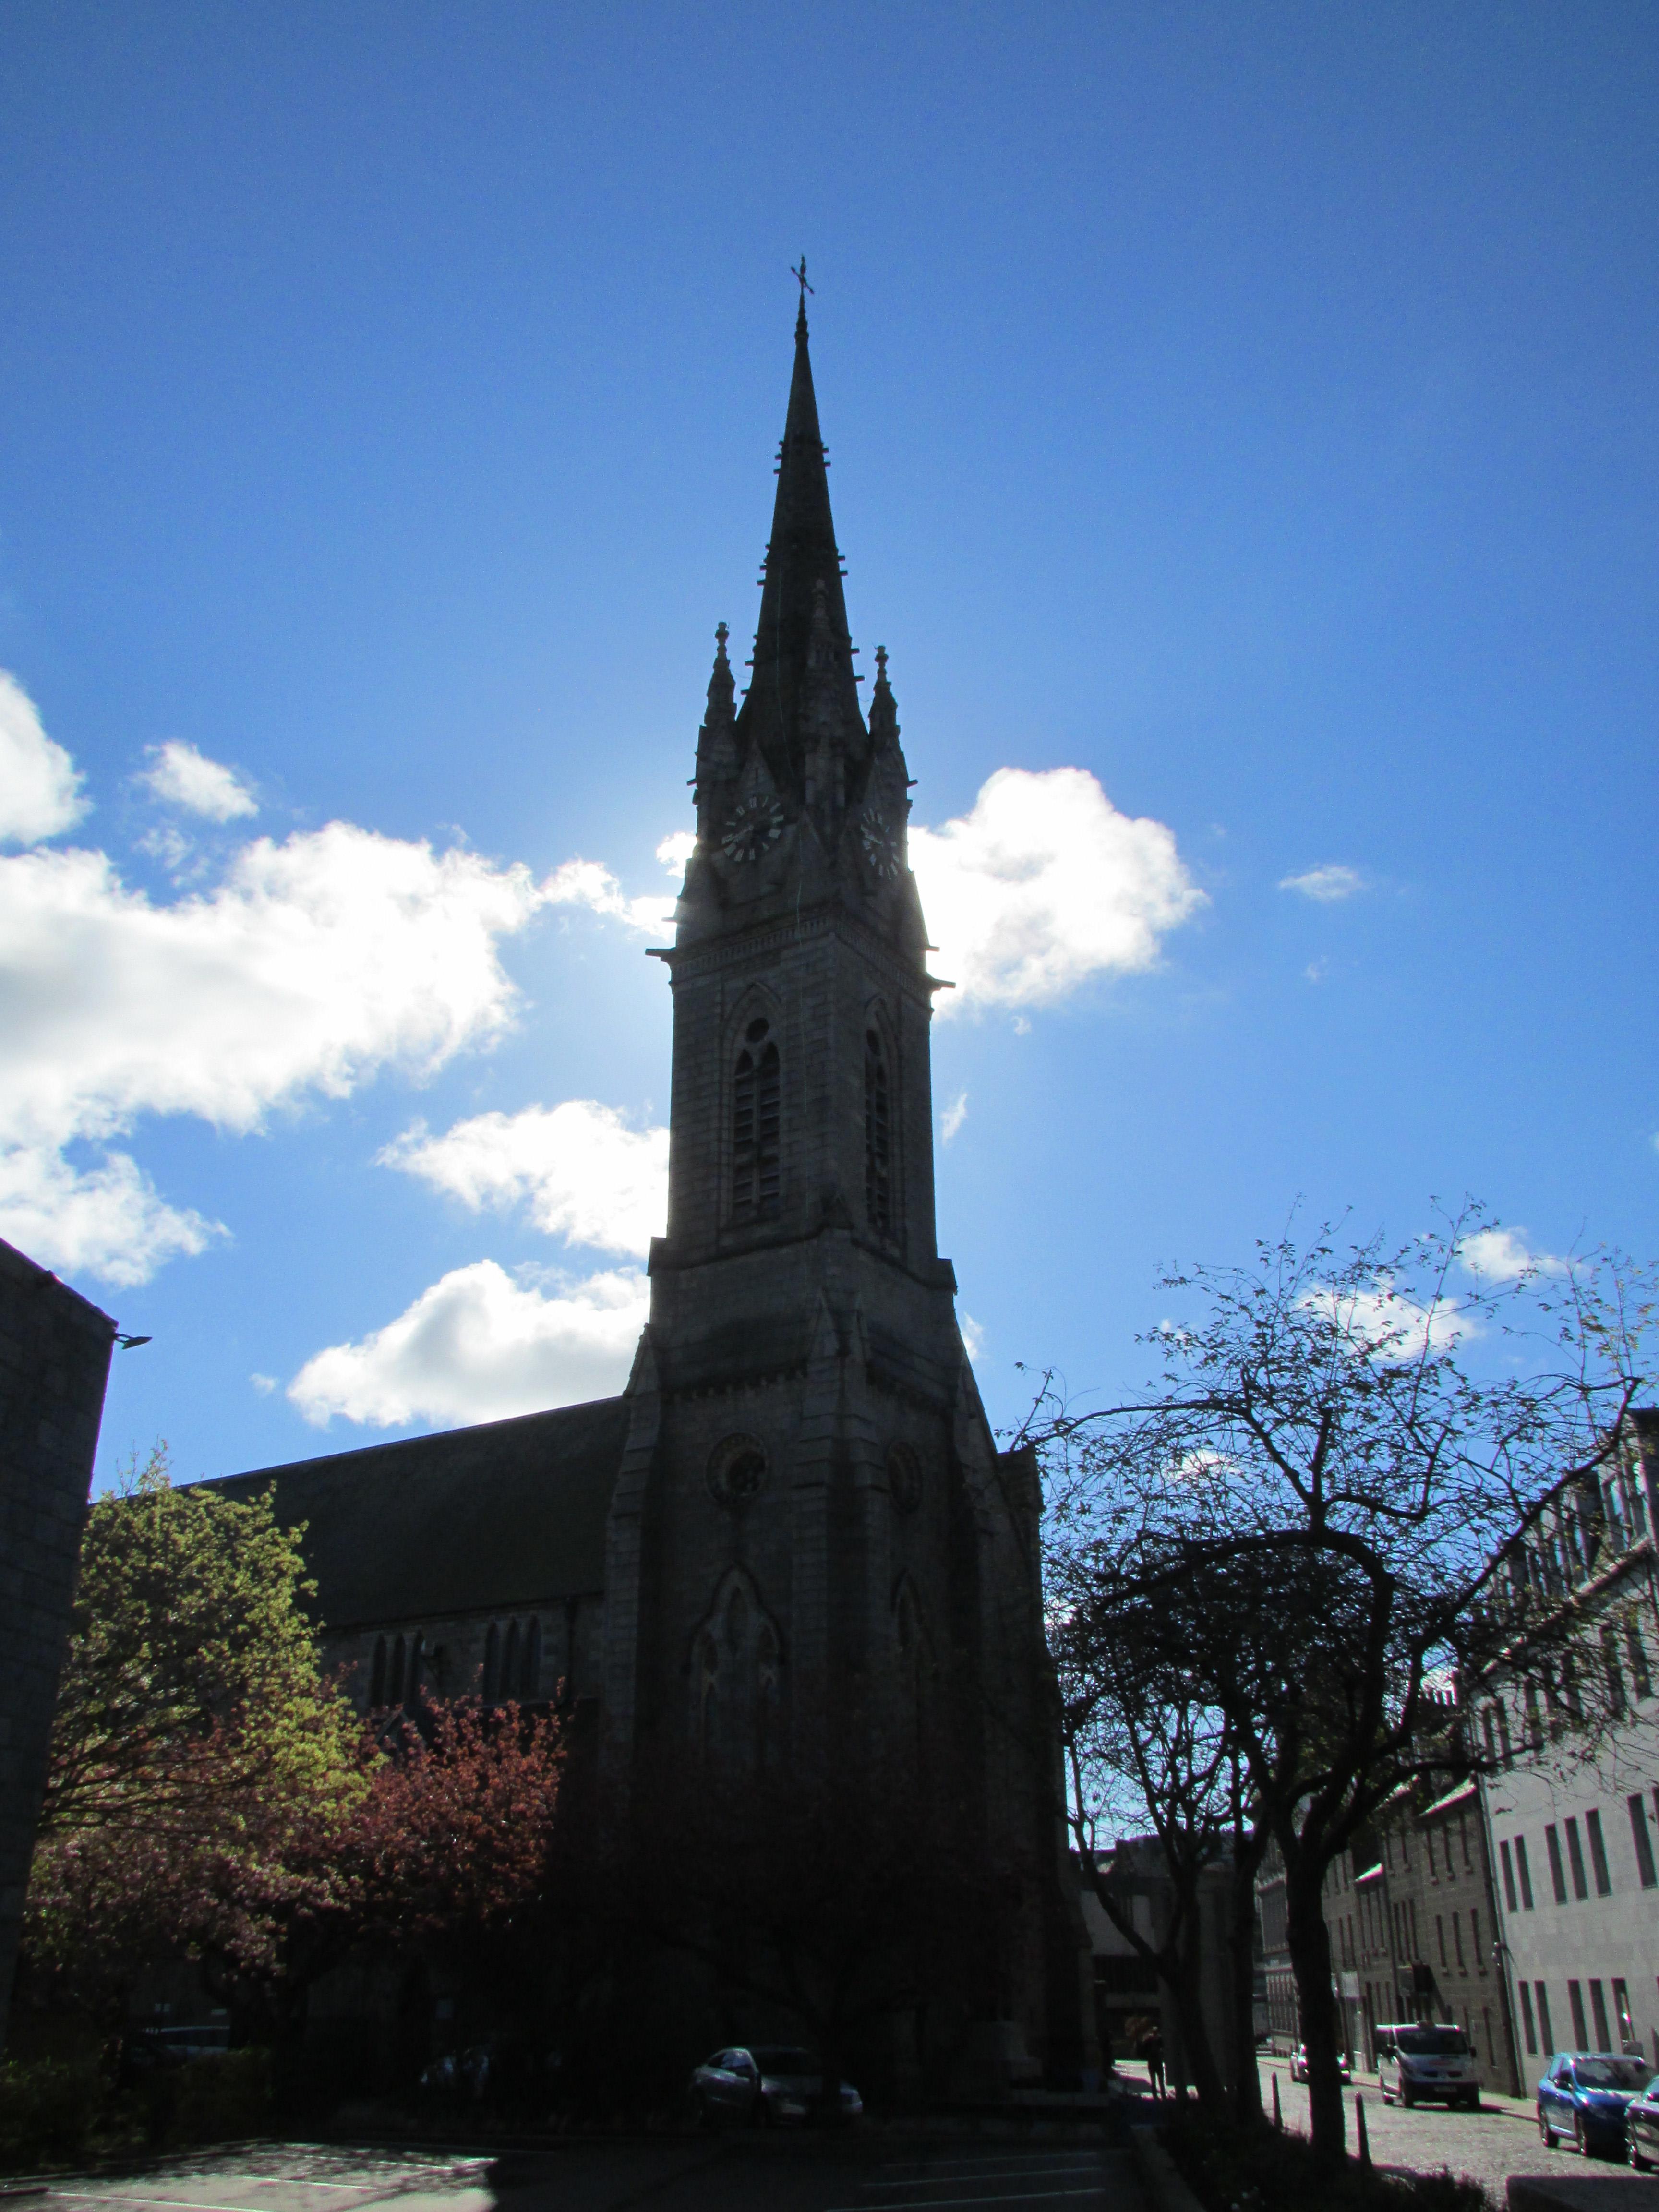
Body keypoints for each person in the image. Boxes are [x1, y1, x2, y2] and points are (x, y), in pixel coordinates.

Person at [1140, 2025, 1166, 2099]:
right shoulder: (1159, 2040)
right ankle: (1162, 2096)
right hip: (1157, 2062)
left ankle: (1157, 2096)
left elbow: (1144, 2050)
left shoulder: (1149, 2040)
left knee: (1155, 2080)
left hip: (1153, 2062)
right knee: (1159, 2080)